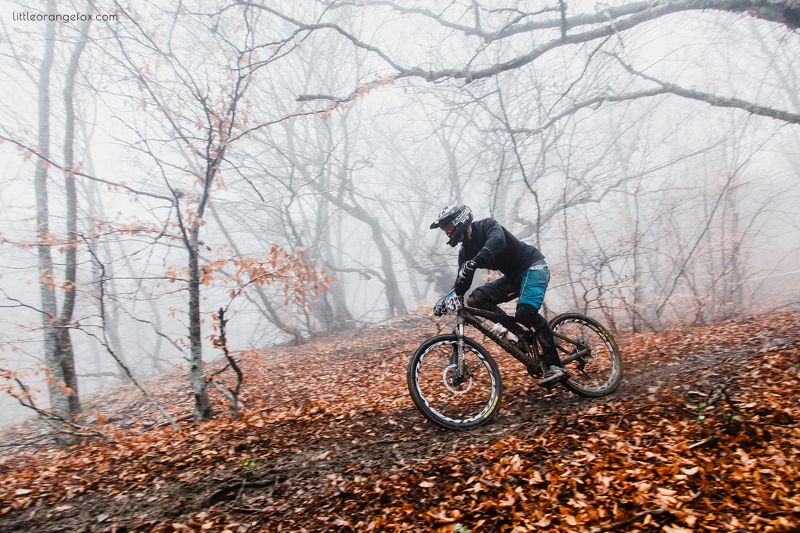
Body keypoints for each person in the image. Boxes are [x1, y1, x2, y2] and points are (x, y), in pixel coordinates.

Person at [430, 204, 569, 387]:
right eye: (444, 229)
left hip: (533, 267)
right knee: (476, 300)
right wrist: (451, 298)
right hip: (513, 278)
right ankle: (521, 335)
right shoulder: (465, 252)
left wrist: (475, 262)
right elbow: (462, 283)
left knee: (525, 313)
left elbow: (498, 241)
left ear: (460, 220)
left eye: (447, 226)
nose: (446, 232)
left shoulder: (487, 225)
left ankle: (555, 365)